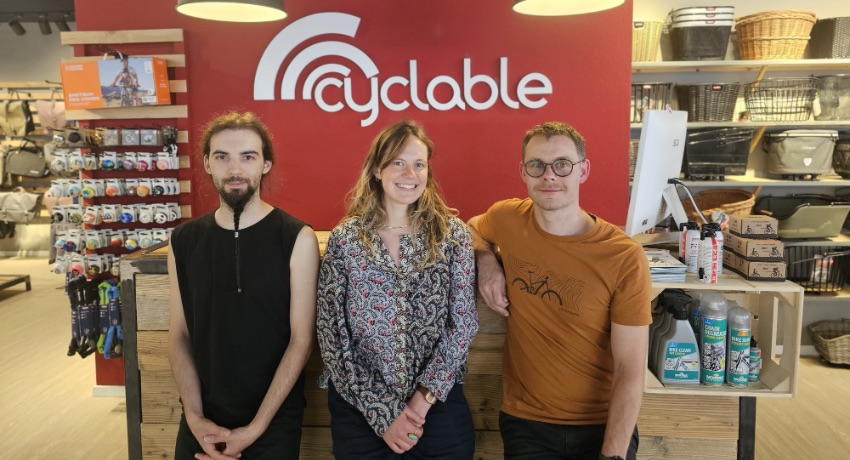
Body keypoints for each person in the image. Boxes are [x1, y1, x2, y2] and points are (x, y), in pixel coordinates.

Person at [467, 121, 652, 460]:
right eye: (536, 165)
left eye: (562, 165)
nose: (549, 176)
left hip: (602, 424)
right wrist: (486, 260)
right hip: (526, 423)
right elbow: (472, 228)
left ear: (583, 171)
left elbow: (630, 369)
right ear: (523, 172)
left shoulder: (624, 256)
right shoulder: (507, 218)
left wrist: (612, 455)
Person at [317, 120, 479, 459]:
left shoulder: (453, 236)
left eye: (419, 164)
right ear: (377, 169)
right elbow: (332, 334)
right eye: (398, 163)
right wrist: (383, 412)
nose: (410, 174)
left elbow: (462, 324)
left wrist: (421, 401)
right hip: (359, 408)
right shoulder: (346, 239)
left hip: (437, 406)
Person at [168, 112, 319, 459]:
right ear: (207, 163)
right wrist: (194, 418)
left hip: (273, 423)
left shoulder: (297, 237)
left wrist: (256, 428)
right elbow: (179, 335)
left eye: (248, 157)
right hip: (200, 423)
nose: (235, 169)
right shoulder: (183, 240)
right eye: (222, 156)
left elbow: (301, 340)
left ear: (266, 164)